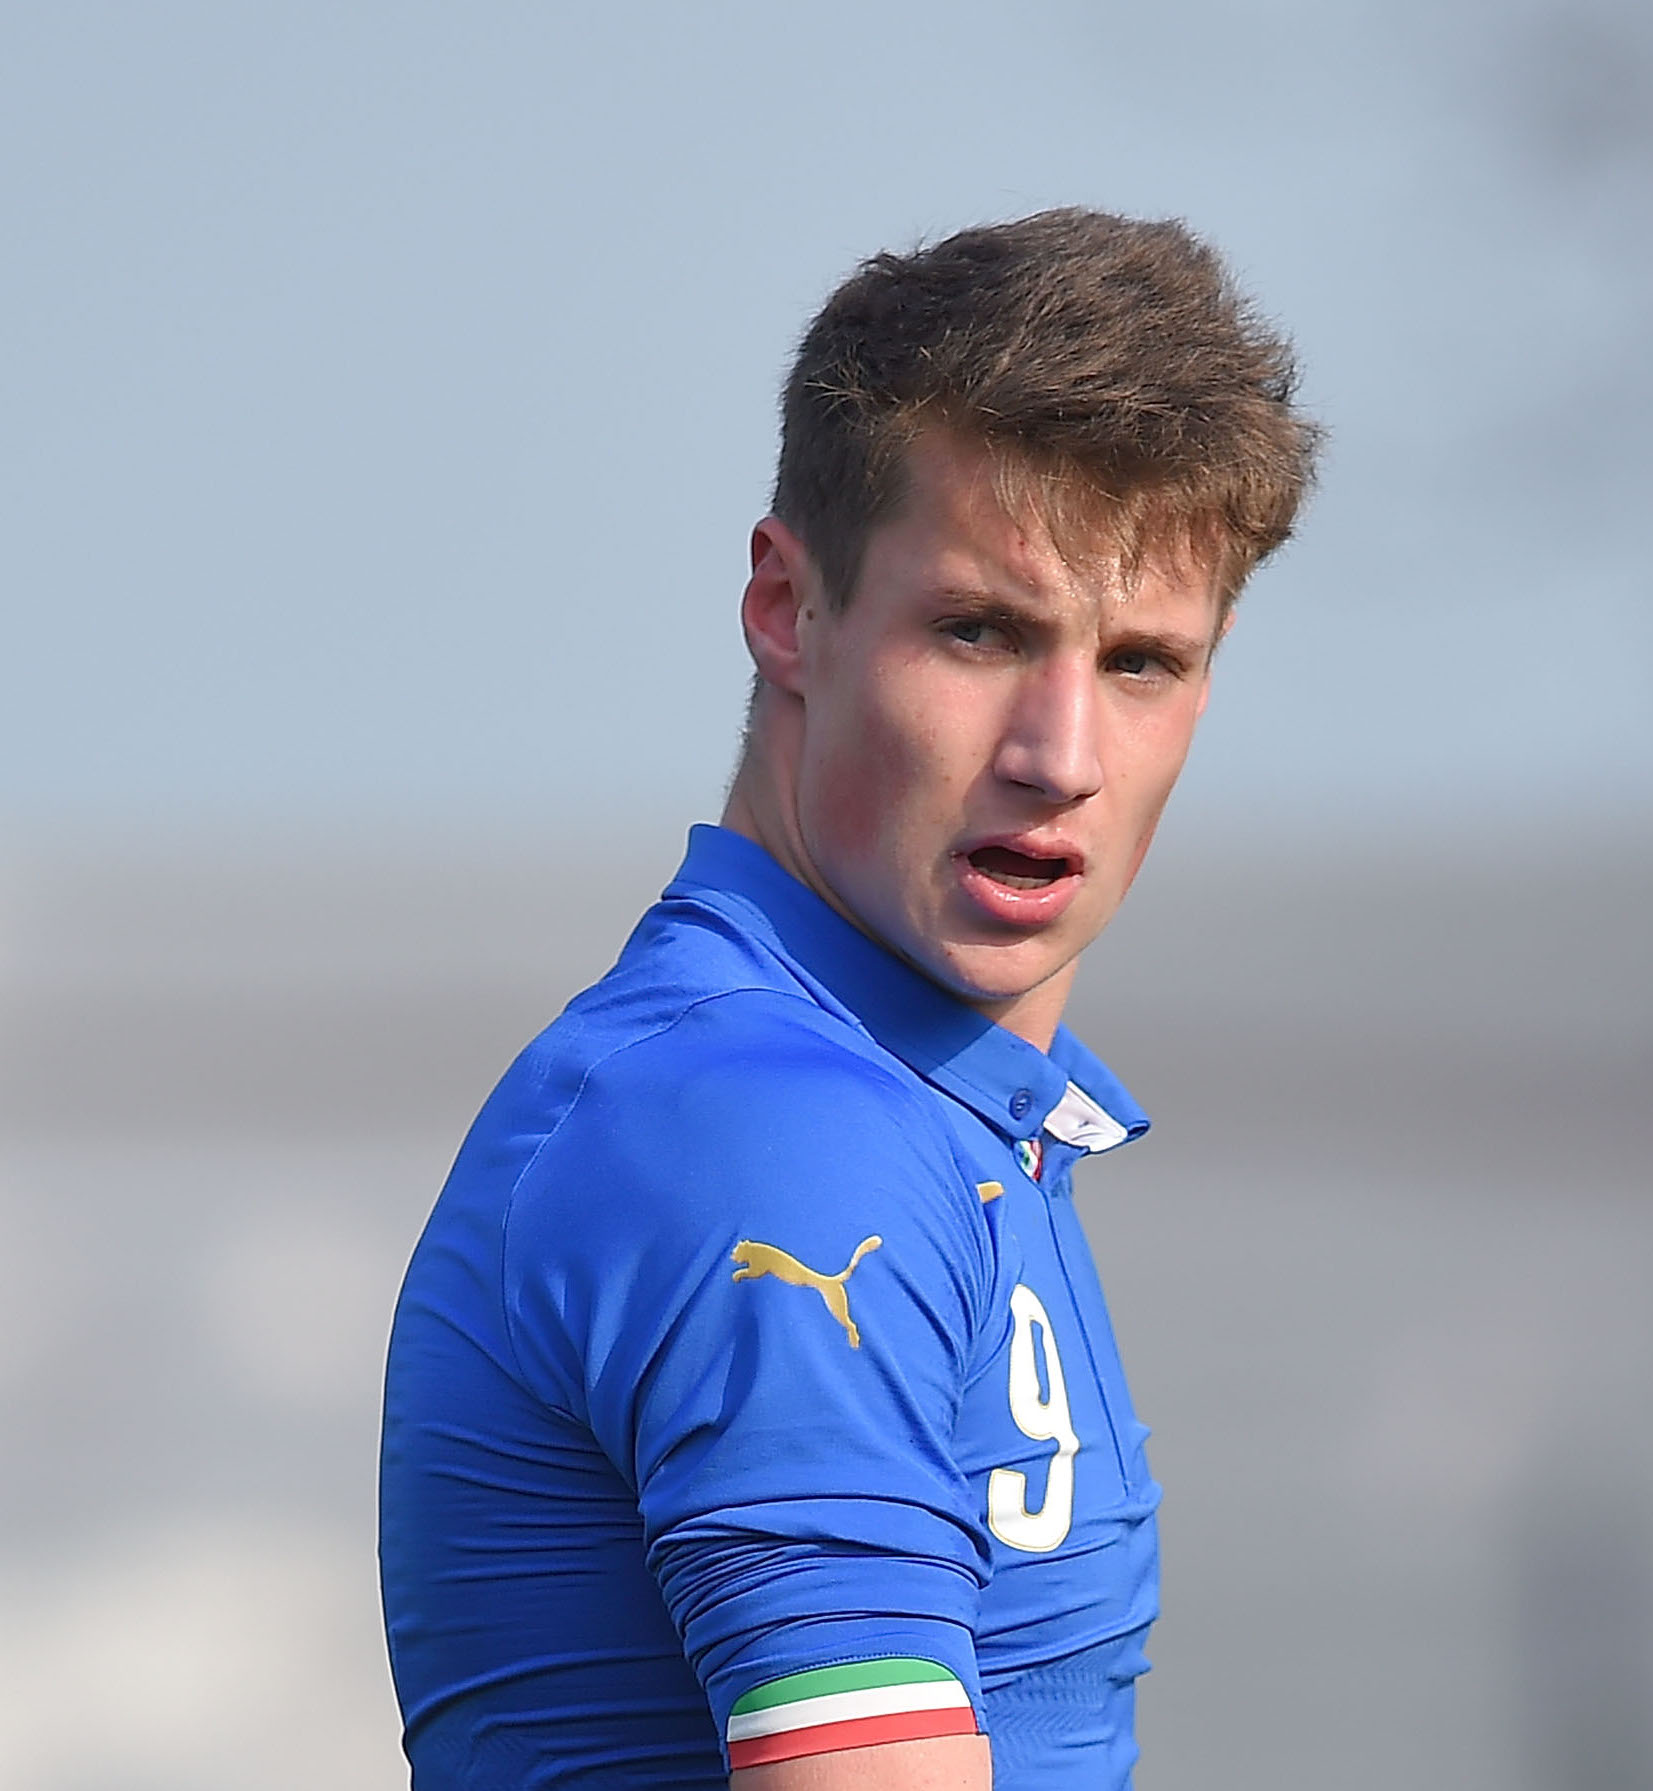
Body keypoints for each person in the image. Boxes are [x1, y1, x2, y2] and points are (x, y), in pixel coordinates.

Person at [378, 209, 1319, 1791]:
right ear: (784, 608)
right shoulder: (765, 1132)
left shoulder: (934, 1106)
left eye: (1143, 662)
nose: (1061, 753)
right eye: (979, 631)